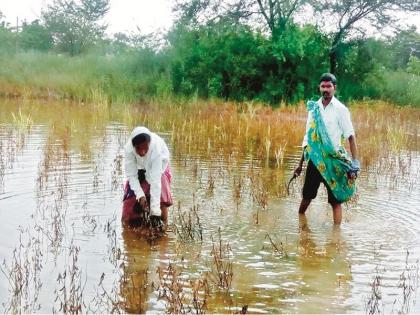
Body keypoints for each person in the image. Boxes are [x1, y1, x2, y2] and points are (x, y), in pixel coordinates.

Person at [294, 73, 360, 225]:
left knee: (335, 202)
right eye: (323, 86)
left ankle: (336, 238)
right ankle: (300, 226)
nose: (326, 89)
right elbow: (309, 138)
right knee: (306, 197)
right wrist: (300, 164)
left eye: (329, 86)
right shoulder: (314, 109)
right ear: (319, 87)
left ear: (334, 88)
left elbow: (351, 136)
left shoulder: (341, 110)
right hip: (316, 161)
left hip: (333, 162)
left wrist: (355, 163)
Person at [122, 126, 173, 230]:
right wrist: (140, 195)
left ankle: (164, 225)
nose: (142, 152)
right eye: (138, 149)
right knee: (127, 216)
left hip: (160, 168)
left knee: (160, 199)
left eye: (145, 148)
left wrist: (155, 212)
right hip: (139, 169)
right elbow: (131, 175)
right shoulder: (128, 149)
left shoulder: (156, 149)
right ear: (133, 147)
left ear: (149, 144)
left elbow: (155, 182)